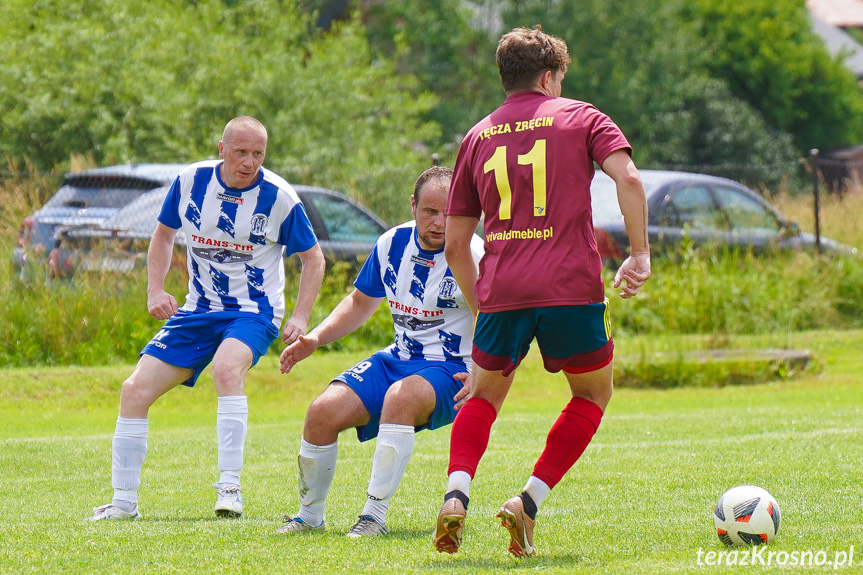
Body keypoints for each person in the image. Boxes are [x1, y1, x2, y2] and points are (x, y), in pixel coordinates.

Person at [433, 27, 651, 557]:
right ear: (551, 76)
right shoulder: (582, 117)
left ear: (505, 78)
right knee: (592, 395)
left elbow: (457, 244)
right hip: (571, 287)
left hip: (504, 288)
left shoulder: (477, 135)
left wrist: (485, 304)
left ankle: (456, 494)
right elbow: (629, 179)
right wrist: (639, 253)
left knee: (482, 396)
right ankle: (527, 502)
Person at [88, 116, 326, 521]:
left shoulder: (279, 197)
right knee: (133, 390)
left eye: (258, 154)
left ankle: (230, 489)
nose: (249, 162)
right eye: (241, 152)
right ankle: (124, 503)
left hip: (254, 311)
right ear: (222, 149)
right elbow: (163, 235)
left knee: (227, 368)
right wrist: (155, 290)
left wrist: (301, 317)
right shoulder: (190, 182)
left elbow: (313, 259)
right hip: (198, 309)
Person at [275, 166, 483, 538]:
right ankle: (309, 517)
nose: (439, 223)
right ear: (413, 206)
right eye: (429, 212)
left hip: (452, 368)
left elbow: (495, 319)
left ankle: (373, 517)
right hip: (399, 358)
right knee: (322, 412)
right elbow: (359, 303)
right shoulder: (391, 243)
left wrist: (485, 371)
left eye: (449, 213)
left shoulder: (475, 254)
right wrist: (315, 339)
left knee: (399, 399)